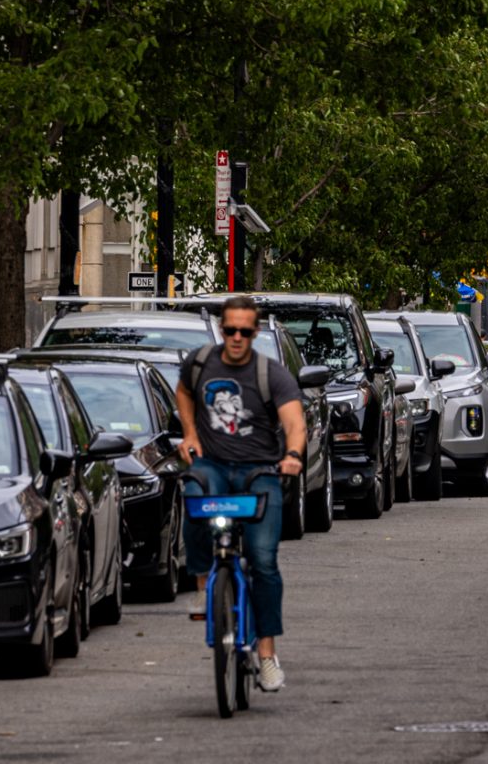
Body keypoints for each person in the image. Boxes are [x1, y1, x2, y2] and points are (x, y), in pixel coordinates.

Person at [176, 293, 306, 696]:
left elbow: (295, 423)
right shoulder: (200, 363)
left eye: (244, 332)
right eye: (229, 329)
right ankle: (202, 585)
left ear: (254, 332)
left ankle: (266, 654)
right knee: (193, 489)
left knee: (264, 561)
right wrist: (191, 434)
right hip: (214, 466)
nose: (236, 337)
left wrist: (293, 456)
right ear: (221, 328)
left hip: (260, 472)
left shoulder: (272, 374)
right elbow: (183, 392)